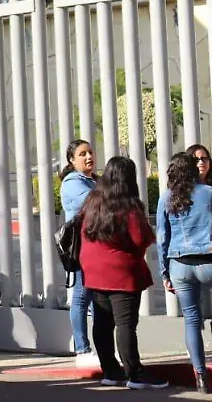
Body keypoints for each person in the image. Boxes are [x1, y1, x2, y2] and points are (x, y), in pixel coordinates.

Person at [78, 156, 166, 390]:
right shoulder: (129, 205)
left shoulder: (93, 200)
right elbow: (141, 238)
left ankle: (111, 371)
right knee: (126, 324)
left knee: (102, 323)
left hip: (94, 272)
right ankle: (135, 374)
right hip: (121, 273)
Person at [158, 152, 212, 392]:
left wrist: (164, 272)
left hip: (179, 263)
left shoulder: (166, 198)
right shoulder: (209, 193)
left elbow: (162, 238)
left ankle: (200, 376)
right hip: (209, 259)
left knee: (191, 320)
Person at [58, 139, 98, 366]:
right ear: (72, 160)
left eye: (90, 152)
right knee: (82, 296)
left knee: (92, 298)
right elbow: (94, 205)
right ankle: (82, 349)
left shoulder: (93, 181)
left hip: (95, 248)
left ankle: (91, 347)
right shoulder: (73, 182)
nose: (89, 156)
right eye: (82, 154)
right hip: (83, 248)